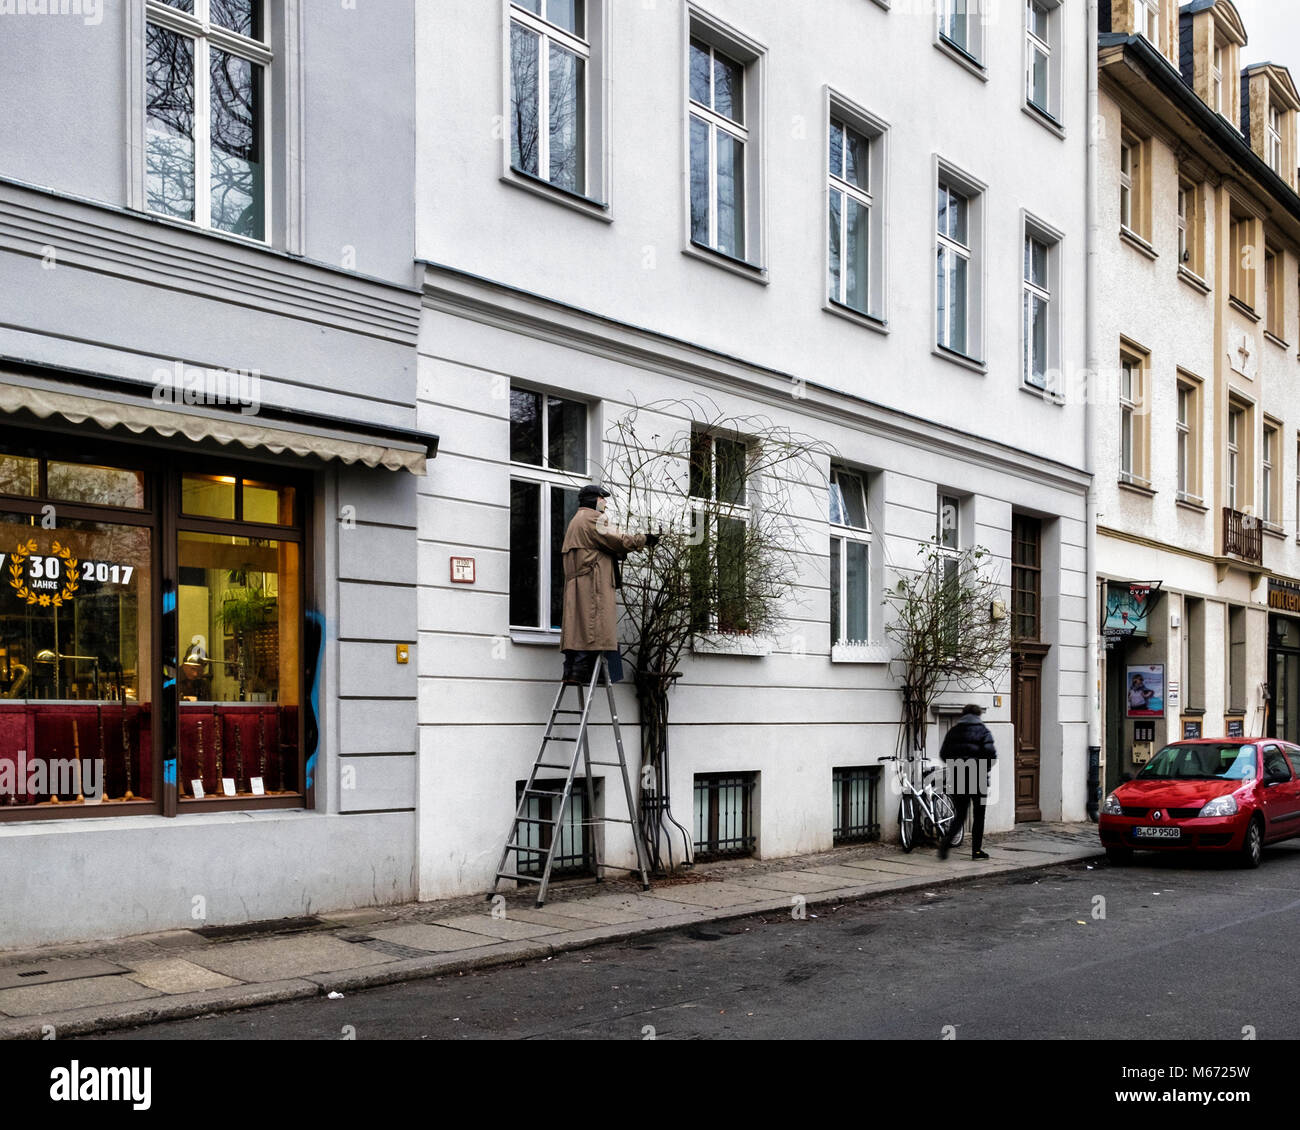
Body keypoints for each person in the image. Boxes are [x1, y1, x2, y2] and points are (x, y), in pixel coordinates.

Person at [560, 484, 658, 685]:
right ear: (594, 499)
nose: (605, 503)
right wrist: (644, 539)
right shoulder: (593, 518)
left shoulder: (575, 521)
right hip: (593, 585)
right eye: (603, 498)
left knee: (577, 627)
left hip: (580, 585)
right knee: (592, 628)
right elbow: (619, 540)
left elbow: (601, 547)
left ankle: (571, 671)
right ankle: (583, 671)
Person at [937, 703, 997, 861]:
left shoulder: (954, 731)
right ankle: (976, 851)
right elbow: (991, 756)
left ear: (963, 715)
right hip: (978, 778)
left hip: (958, 778)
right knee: (979, 815)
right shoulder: (983, 731)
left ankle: (945, 843)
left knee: (960, 814)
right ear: (978, 715)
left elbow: (943, 754)